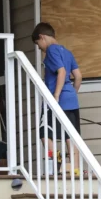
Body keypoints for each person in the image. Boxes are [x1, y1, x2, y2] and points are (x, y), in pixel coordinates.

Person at [31, 22, 83, 176]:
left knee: (44, 133)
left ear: (42, 37)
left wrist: (56, 96)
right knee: (70, 135)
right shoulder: (67, 52)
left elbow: (61, 72)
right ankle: (75, 169)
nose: (40, 48)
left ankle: (56, 157)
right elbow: (78, 77)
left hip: (56, 99)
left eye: (38, 44)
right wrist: (71, 94)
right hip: (71, 99)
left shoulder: (51, 50)